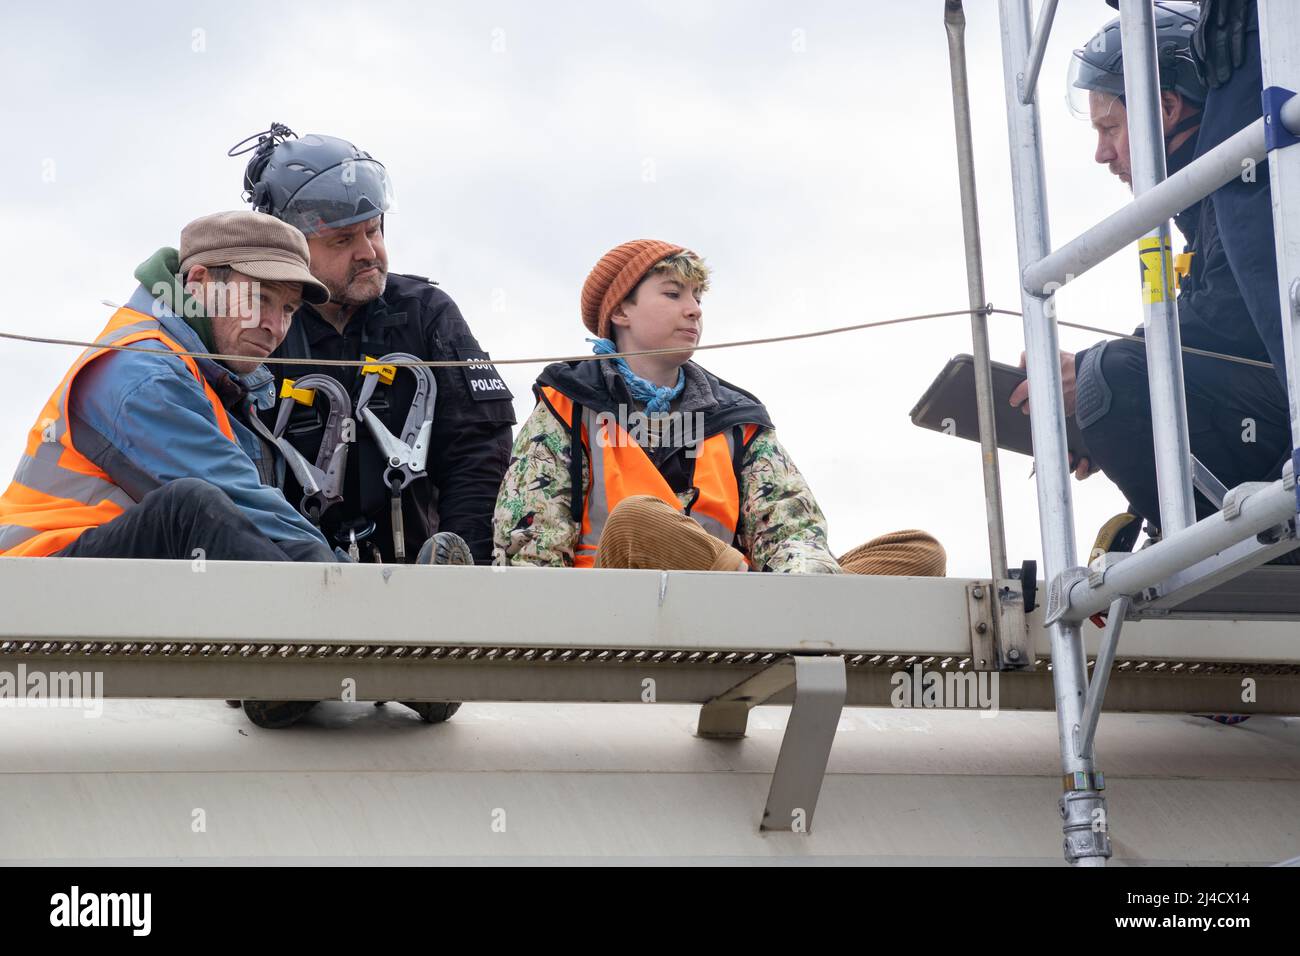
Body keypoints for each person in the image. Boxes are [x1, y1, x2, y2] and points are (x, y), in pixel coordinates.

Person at [492, 239, 947, 576]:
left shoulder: (736, 416)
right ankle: (794, 614)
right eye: (673, 294)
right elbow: (529, 548)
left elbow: (791, 527)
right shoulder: (566, 403)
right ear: (620, 312)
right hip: (612, 613)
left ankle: (793, 609)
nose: (693, 310)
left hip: (739, 606)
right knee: (637, 519)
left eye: (697, 298)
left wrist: (803, 576)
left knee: (920, 552)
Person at [1011, 2, 1291, 544]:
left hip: (1280, 409)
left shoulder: (1246, 181)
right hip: (1272, 413)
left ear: (1163, 108)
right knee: (1110, 386)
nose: (1101, 153)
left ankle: (1238, 538)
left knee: (1113, 379)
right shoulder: (1208, 200)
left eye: (1110, 127)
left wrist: (1096, 380)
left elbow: (1233, 325)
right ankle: (1190, 526)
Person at [234, 124, 516, 570]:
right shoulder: (257, 326)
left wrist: (462, 576)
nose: (369, 253)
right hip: (289, 580)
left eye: (374, 231)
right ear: (290, 245)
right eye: (343, 240)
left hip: (425, 581)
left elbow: (478, 451)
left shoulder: (428, 313)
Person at [0, 210, 334, 566]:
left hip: (93, 576)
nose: (275, 326)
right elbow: (247, 507)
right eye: (259, 299)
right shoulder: (144, 372)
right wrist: (344, 587)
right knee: (190, 509)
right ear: (200, 281)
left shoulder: (201, 370)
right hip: (36, 578)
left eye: (288, 309)